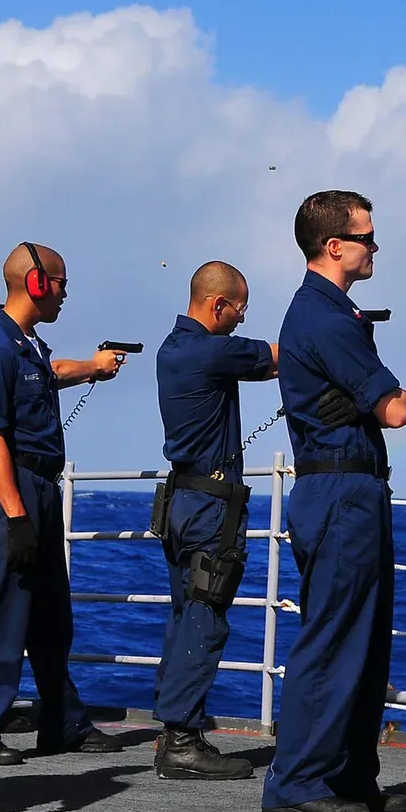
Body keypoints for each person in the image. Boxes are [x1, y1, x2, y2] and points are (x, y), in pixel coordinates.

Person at [261, 191, 406, 812]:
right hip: (339, 491)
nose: (375, 246)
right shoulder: (326, 319)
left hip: (350, 488)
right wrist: (390, 391)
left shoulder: (329, 315)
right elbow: (396, 409)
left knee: (365, 640)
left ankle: (350, 774)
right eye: (367, 237)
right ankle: (297, 783)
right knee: (333, 639)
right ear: (335, 246)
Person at [0, 242, 126, 765]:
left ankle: (62, 722)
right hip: (11, 490)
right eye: (62, 282)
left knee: (50, 617)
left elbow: (51, 372)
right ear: (37, 283)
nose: (66, 293)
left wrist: (92, 368)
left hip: (37, 487)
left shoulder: (25, 346)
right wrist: (17, 516)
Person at [151, 261, 278, 780]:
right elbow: (275, 357)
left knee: (185, 612)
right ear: (217, 304)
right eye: (239, 308)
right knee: (206, 616)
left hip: (181, 500)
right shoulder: (212, 350)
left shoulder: (173, 349)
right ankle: (182, 739)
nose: (242, 318)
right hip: (209, 508)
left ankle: (176, 729)